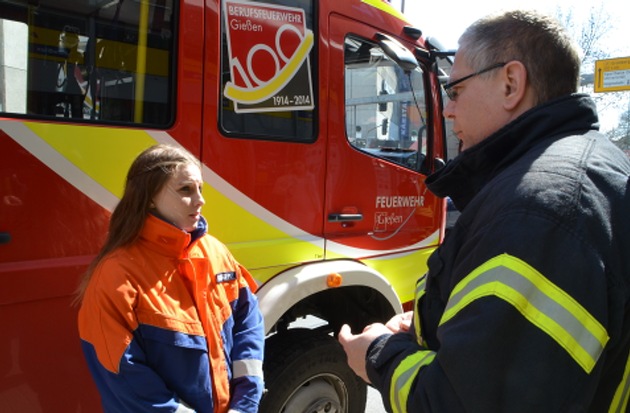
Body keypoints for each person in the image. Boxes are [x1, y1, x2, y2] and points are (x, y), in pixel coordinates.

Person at [338, 9, 630, 413]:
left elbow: (462, 402)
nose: (447, 110)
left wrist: (378, 355)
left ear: (511, 83)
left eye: (455, 91)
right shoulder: (587, 166)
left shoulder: (538, 211)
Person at [77, 144, 265, 413]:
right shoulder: (115, 276)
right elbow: (127, 380)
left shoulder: (216, 251)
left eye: (200, 189)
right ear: (150, 197)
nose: (200, 200)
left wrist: (244, 405)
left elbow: (249, 323)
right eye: (186, 190)